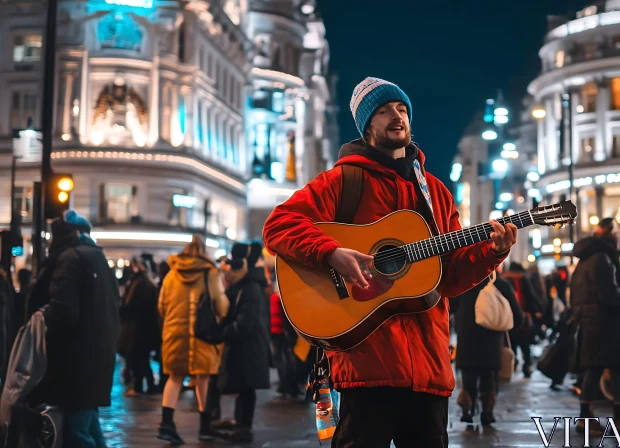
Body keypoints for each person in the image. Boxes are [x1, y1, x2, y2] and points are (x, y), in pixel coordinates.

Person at [262, 77, 516, 447]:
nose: (396, 116)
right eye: (383, 111)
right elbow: (279, 225)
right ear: (367, 126)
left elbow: (451, 277)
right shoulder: (341, 182)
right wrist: (330, 252)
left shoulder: (436, 192)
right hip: (368, 368)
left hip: (429, 368)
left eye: (401, 109)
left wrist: (492, 252)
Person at [26, 211, 120, 446]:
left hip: (76, 361)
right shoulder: (97, 257)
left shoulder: (70, 259)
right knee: (88, 424)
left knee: (77, 431)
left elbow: (64, 312)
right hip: (96, 357)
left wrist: (41, 315)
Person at [569, 218, 620, 436]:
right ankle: (617, 417)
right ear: (609, 234)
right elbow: (608, 293)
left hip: (594, 321)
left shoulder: (589, 258)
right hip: (606, 323)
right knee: (617, 366)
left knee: (595, 368)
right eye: (615, 231)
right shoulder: (601, 259)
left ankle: (588, 416)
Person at [157, 235, 229, 444]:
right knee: (203, 379)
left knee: (174, 378)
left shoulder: (171, 275)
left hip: (174, 334)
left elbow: (162, 306)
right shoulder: (211, 274)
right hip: (201, 336)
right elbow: (221, 306)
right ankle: (205, 426)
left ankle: (166, 424)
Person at [215, 243, 271, 443]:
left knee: (247, 388)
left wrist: (226, 331)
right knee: (243, 387)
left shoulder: (251, 287)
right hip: (246, 346)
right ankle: (240, 424)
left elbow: (246, 321)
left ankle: (244, 428)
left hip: (250, 347)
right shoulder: (245, 285)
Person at [453, 267, 523, 425]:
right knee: (488, 375)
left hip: (466, 338)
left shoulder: (463, 283)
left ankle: (467, 407)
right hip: (491, 340)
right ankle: (487, 411)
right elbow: (517, 317)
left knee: (468, 374)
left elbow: (450, 307)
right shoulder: (501, 284)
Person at [120, 259, 160, 396]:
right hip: (146, 327)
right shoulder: (147, 283)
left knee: (139, 357)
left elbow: (131, 306)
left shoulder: (139, 283)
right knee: (142, 358)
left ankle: (140, 386)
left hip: (139, 328)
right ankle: (147, 385)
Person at [502, 262, 543, 378]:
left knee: (513, 342)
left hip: (510, 317)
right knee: (525, 344)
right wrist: (538, 308)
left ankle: (514, 363)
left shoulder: (505, 280)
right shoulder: (523, 279)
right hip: (523, 316)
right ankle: (526, 365)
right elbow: (531, 295)